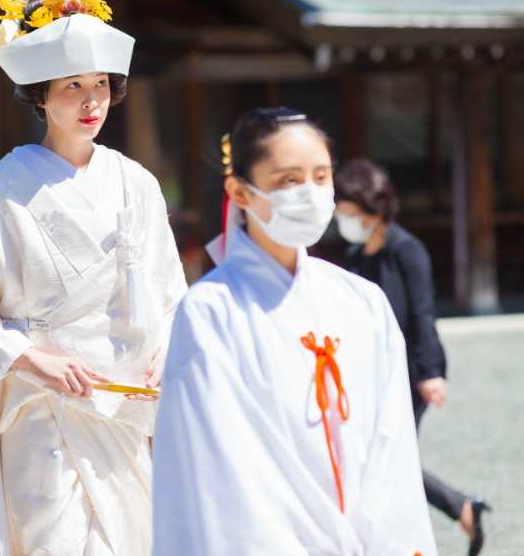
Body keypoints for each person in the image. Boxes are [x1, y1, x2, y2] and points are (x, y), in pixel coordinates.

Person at [0, 0, 187, 555]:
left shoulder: (137, 183)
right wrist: (27, 358)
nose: (91, 101)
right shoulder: (2, 189)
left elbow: (170, 290)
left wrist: (166, 351)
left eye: (101, 85)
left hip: (126, 406)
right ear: (41, 95)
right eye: (72, 86)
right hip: (44, 411)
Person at [152, 108, 437, 555]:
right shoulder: (211, 311)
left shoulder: (362, 302)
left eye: (321, 177)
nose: (310, 193)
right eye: (288, 180)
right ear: (240, 192)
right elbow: (219, 464)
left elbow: (393, 444)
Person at [335, 158, 491, 556]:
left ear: (370, 206)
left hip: (407, 373)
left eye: (346, 207)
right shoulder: (355, 256)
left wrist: (431, 372)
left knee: (388, 457)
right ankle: (463, 508)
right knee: (378, 459)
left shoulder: (406, 250)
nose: (340, 215)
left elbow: (423, 313)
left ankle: (445, 516)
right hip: (367, 375)